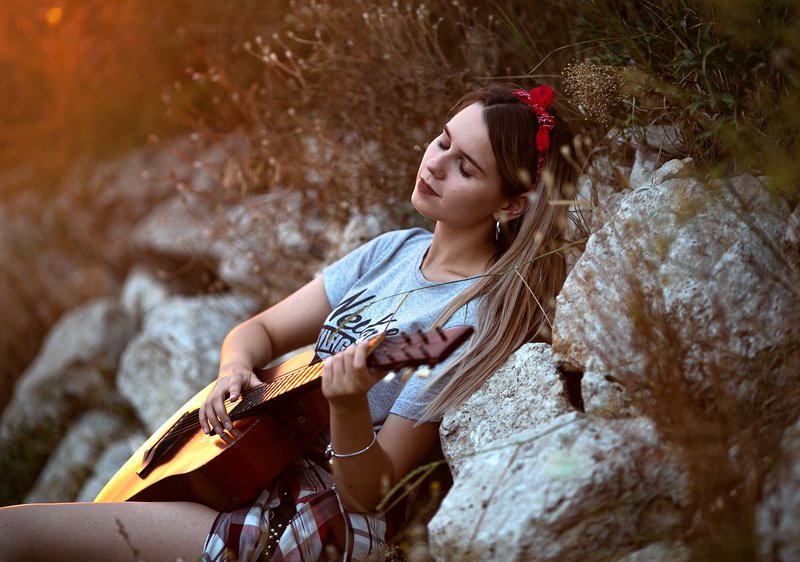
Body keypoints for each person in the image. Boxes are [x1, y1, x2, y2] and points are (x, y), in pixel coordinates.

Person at [0, 83, 577, 561]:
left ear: (510, 204)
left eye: (466, 167)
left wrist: (349, 406)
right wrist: (233, 370)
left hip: (310, 516)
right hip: (254, 462)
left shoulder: (468, 320)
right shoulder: (393, 251)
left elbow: (371, 493)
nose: (436, 163)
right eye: (443, 141)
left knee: (16, 534)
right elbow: (260, 332)